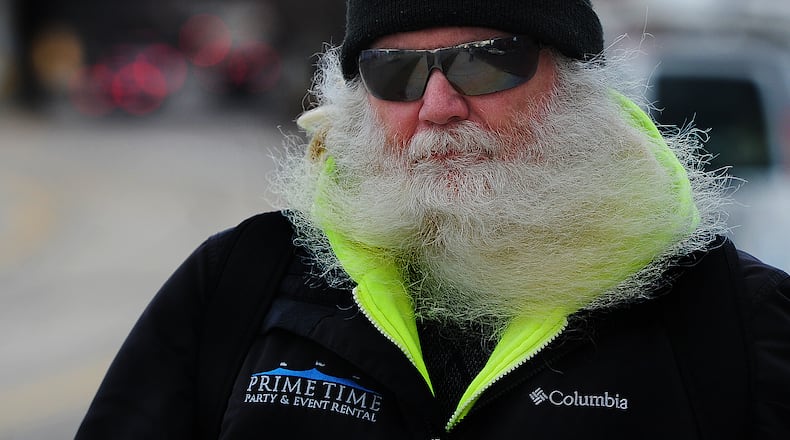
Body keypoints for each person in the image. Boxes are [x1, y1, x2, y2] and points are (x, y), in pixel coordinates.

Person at [76, 0, 790, 438]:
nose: (439, 105)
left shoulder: (730, 314)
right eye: (396, 74)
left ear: (573, 84)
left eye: (486, 64)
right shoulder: (238, 282)